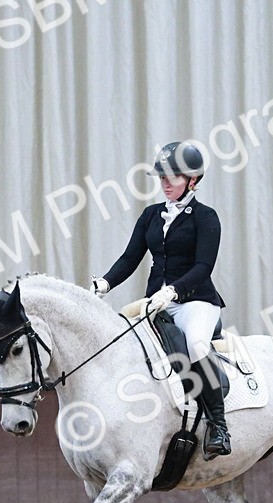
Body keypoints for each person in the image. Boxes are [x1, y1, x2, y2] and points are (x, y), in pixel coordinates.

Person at [91, 141, 231, 460]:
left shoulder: (206, 218)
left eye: (174, 178)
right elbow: (130, 258)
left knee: (196, 345)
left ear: (193, 180)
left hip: (195, 302)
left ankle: (219, 426)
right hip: (155, 303)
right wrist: (105, 283)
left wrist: (173, 291)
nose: (166, 184)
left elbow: (203, 267)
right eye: (162, 178)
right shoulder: (152, 215)